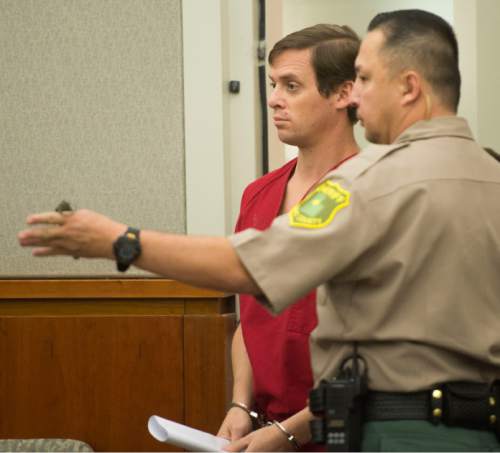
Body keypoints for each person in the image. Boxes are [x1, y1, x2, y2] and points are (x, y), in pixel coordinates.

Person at [18, 9, 500, 451]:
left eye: (366, 79)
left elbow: (243, 266)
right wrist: (241, 404)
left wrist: (120, 241)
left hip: (395, 432)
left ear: (410, 87)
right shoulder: (490, 174)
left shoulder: (370, 181)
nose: (358, 93)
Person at [217, 24, 360, 452]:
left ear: (342, 94)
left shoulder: (371, 191)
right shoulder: (257, 195)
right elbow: (249, 319)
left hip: (345, 430)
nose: (274, 98)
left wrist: (288, 432)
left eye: (292, 86)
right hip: (265, 429)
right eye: (273, 84)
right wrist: (240, 405)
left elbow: (375, 356)